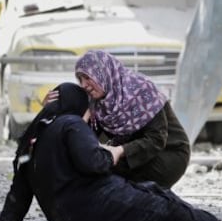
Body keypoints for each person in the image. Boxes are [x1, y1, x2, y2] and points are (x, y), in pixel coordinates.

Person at [0, 82, 222, 221]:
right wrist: (112, 152)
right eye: (88, 113)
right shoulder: (71, 125)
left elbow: (19, 192)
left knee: (152, 192)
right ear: (77, 109)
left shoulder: (32, 138)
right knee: (165, 206)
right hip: (95, 210)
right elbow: (95, 163)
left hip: (67, 220)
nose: (89, 120)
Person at [45, 50, 190, 188]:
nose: (84, 85)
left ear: (104, 73)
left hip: (168, 154)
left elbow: (157, 139)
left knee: (101, 173)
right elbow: (83, 137)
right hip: (133, 156)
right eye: (80, 79)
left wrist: (119, 151)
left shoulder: (141, 90)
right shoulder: (99, 102)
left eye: (88, 77)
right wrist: (50, 110)